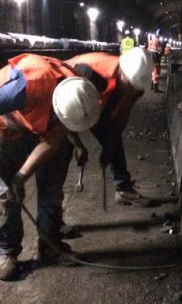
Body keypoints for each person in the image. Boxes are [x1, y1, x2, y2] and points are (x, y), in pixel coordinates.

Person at [0, 53, 101, 281]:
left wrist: (22, 177)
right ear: (58, 107)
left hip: (40, 124)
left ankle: (49, 244)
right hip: (6, 126)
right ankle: (7, 250)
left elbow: (52, 141)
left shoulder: (78, 89)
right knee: (5, 193)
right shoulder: (25, 87)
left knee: (52, 186)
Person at [66, 48, 154, 206]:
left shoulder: (134, 86)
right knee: (60, 149)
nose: (131, 91)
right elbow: (64, 115)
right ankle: (53, 217)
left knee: (112, 136)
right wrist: (77, 145)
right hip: (67, 95)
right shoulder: (89, 73)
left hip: (99, 96)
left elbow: (122, 116)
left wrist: (110, 145)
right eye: (130, 86)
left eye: (135, 89)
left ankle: (123, 189)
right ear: (122, 72)